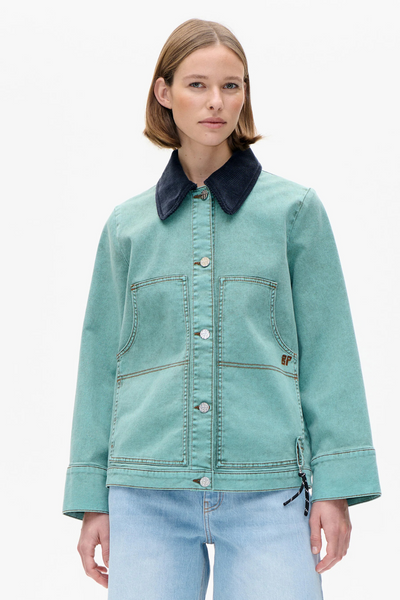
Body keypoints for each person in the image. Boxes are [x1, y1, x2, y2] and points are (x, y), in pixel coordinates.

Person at [62, 18, 381, 600]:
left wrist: (335, 486)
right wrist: (90, 497)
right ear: (164, 93)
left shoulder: (294, 212)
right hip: (146, 491)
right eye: (198, 85)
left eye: (231, 86)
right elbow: (102, 364)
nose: (216, 102)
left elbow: (329, 352)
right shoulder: (127, 226)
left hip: (270, 490)